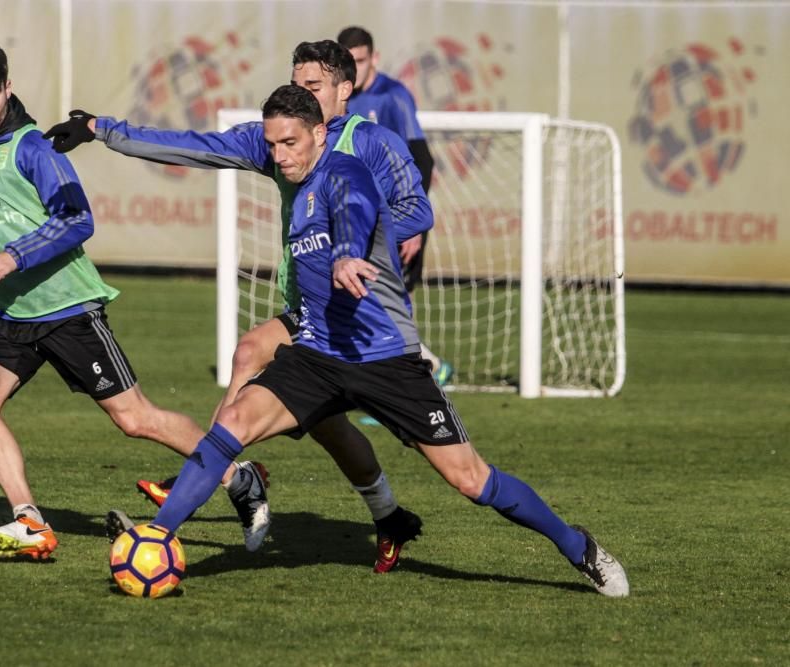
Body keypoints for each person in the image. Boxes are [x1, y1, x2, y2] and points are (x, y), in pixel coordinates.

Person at [150, 83, 630, 597]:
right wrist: (102, 130)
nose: (278, 155)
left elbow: (356, 209)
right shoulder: (295, 188)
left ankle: (579, 547)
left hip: (386, 361)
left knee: (471, 480)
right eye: (271, 145)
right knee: (232, 422)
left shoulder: (346, 170)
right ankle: (157, 537)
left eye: (289, 143)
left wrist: (347, 253)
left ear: (317, 133)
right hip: (317, 354)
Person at [44, 40, 432, 572]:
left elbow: (417, 207)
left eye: (313, 86)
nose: (301, 93)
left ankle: (224, 475)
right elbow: (193, 145)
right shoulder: (279, 141)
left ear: (345, 90)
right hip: (308, 310)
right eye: (296, 83)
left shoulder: (373, 143)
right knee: (303, 403)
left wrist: (355, 238)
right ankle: (375, 513)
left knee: (263, 364)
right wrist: (101, 130)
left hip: (363, 316)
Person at [0, 37, 269, 560]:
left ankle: (238, 476)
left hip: (68, 308)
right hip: (9, 312)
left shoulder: (31, 147)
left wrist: (13, 257)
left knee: (135, 419)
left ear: (8, 90)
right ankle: (30, 520)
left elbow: (78, 219)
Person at [337, 26, 453, 386]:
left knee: (392, 303)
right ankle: (415, 371)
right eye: (347, 62)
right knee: (367, 304)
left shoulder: (393, 96)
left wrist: (412, 225)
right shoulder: (338, 97)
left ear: (374, 58)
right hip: (359, 218)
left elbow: (423, 161)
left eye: (359, 61)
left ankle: (420, 374)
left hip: (399, 219)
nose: (353, 70)